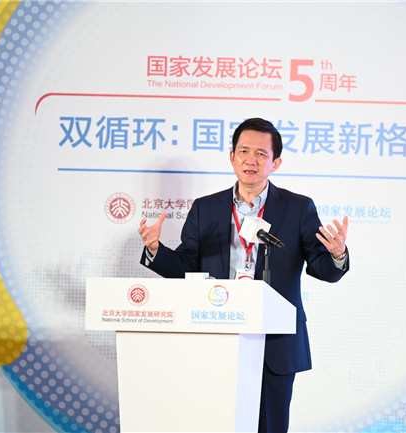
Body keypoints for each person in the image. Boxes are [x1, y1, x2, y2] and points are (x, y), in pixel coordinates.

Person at [138, 117, 349, 432]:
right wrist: (156, 250)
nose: (251, 160)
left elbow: (321, 268)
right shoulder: (206, 208)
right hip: (216, 334)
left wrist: (337, 255)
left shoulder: (297, 208)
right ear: (232, 157)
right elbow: (186, 267)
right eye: (244, 151)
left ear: (276, 163)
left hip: (274, 340)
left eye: (261, 154)